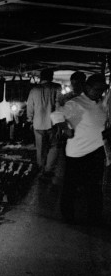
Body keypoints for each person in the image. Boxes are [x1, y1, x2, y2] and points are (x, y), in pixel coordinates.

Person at [51, 73, 108, 225]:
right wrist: (65, 129)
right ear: (88, 87)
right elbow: (56, 115)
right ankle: (68, 216)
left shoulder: (101, 103)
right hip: (77, 152)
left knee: (94, 187)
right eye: (97, 89)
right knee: (71, 186)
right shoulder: (76, 103)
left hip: (97, 150)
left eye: (102, 89)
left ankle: (94, 216)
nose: (99, 92)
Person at [26, 69, 61, 181]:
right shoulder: (56, 87)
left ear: (41, 77)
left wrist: (30, 119)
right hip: (52, 123)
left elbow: (29, 107)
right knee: (54, 146)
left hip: (37, 124)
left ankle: (41, 169)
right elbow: (59, 105)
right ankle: (48, 169)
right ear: (51, 76)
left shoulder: (34, 89)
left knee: (40, 149)